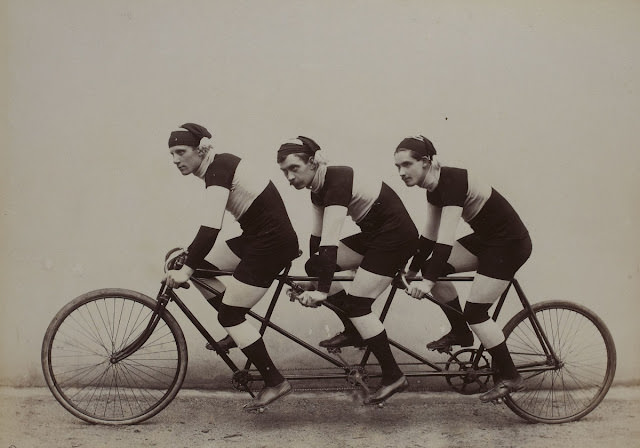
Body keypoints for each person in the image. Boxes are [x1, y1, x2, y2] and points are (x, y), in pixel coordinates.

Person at [162, 123, 299, 411]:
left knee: (228, 313)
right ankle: (238, 329)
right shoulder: (216, 167)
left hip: (271, 245)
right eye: (171, 153)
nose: (175, 160)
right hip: (257, 238)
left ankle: (275, 381)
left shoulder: (219, 168)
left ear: (200, 150)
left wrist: (185, 270)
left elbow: (211, 227)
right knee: (200, 266)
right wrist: (188, 262)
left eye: (181, 152)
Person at [276, 136, 418, 405]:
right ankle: (354, 330)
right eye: (284, 171)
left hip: (396, 237)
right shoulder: (317, 189)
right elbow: (317, 242)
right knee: (314, 264)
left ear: (313, 162)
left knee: (358, 306)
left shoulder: (336, 181)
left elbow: (330, 240)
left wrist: (322, 290)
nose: (289, 177)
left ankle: (393, 375)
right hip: (375, 236)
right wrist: (313, 279)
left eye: (294, 168)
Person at [393, 135, 532, 402]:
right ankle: (460, 331)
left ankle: (511, 376)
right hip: (487, 239)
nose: (401, 172)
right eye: (397, 167)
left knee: (476, 312)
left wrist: (428, 284)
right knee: (437, 267)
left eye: (406, 165)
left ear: (425, 162)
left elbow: (445, 238)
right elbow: (429, 237)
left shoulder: (453, 181)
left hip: (509, 244)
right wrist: (412, 272)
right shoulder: (433, 188)